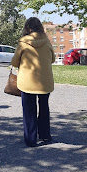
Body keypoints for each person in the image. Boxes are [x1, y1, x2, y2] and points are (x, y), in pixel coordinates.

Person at [11, 17, 55, 147]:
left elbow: (14, 62)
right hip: (44, 82)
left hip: (27, 82)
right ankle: (45, 135)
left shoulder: (23, 43)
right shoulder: (47, 41)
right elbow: (52, 59)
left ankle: (31, 139)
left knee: (29, 111)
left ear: (27, 28)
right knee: (44, 108)